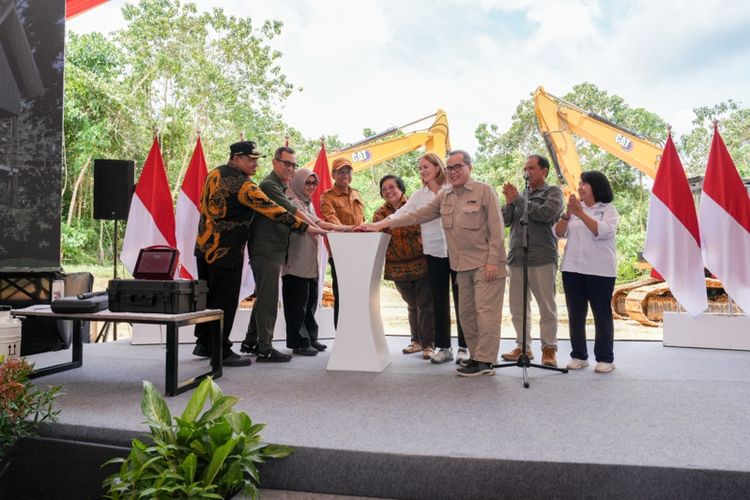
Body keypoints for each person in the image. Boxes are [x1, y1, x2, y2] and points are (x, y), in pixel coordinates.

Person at [365, 150, 507, 377]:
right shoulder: (445, 195)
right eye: (450, 168)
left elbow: (497, 230)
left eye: (457, 167)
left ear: (469, 167)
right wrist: (380, 225)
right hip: (460, 265)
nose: (453, 172)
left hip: (484, 264)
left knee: (486, 313)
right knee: (467, 315)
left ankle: (485, 361)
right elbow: (415, 215)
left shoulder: (484, 191)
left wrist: (494, 262)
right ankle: (475, 356)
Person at [193, 141, 317, 367]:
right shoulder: (244, 184)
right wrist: (304, 227)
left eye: (256, 160)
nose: (254, 165)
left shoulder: (214, 173)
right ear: (236, 158)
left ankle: (203, 343)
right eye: (250, 160)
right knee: (224, 302)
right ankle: (221, 350)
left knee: (208, 299)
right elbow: (272, 210)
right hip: (225, 251)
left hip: (203, 248)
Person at [241, 146, 324, 362]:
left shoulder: (279, 185)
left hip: (274, 249)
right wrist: (315, 228)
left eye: (293, 165)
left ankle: (251, 341)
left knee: (264, 296)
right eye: (286, 163)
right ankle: (265, 348)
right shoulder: (270, 185)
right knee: (268, 300)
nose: (290, 168)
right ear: (275, 162)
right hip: (266, 249)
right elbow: (291, 210)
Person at [387, 153, 467, 364]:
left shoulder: (453, 189)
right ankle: (444, 347)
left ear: (437, 167)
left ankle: (465, 347)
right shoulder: (418, 196)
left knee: (462, 300)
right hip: (434, 253)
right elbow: (402, 213)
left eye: (425, 166)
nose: (422, 171)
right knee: (438, 301)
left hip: (458, 250)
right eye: (420, 168)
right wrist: (376, 225)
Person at [500, 154, 563, 367]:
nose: (527, 172)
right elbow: (505, 221)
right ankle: (523, 347)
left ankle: (549, 349)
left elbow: (545, 214)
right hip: (517, 257)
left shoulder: (552, 192)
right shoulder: (520, 195)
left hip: (542, 257)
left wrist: (518, 199)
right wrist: (510, 202)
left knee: (546, 306)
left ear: (544, 170)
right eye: (525, 168)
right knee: (517, 307)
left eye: (532, 168)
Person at [554, 170, 619, 373]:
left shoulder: (608, 210)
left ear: (596, 187)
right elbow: (558, 233)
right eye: (580, 183)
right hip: (572, 269)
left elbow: (602, 231)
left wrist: (580, 213)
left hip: (600, 271)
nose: (580, 187)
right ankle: (579, 355)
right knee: (575, 314)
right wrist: (568, 214)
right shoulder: (574, 210)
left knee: (601, 315)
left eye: (584, 184)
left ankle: (605, 358)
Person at [282, 168, 352, 355]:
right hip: (295, 261)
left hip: (310, 261)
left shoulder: (307, 201)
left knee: (310, 301)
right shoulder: (291, 200)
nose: (312, 187)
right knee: (297, 304)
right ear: (297, 182)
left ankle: (310, 338)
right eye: (308, 183)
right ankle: (299, 342)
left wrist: (342, 228)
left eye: (314, 183)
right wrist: (342, 228)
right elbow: (315, 223)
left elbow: (316, 221)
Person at [373, 175, 435, 360]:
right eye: (384, 189)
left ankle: (428, 345)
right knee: (412, 305)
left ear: (401, 188)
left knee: (426, 305)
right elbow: (378, 235)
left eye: (392, 187)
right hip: (397, 267)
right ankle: (416, 341)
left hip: (421, 263)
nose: (388, 191)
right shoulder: (379, 214)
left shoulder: (415, 206)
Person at [319, 157, 364, 328]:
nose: (345, 175)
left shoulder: (356, 193)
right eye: (341, 171)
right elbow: (333, 221)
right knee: (343, 294)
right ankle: (342, 335)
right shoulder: (327, 197)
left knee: (357, 294)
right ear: (333, 175)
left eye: (348, 171)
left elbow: (362, 220)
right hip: (341, 252)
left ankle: (357, 330)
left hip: (361, 251)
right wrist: (353, 230)